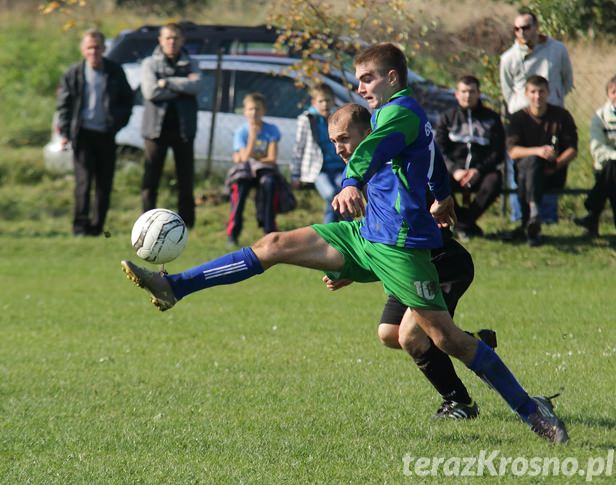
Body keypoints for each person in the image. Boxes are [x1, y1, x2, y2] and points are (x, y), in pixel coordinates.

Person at [121, 43, 568, 443]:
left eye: (367, 78)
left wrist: (352, 181)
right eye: (358, 80)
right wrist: (442, 193)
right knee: (275, 242)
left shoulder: (399, 114)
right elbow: (428, 158)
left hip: (399, 246)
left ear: (392, 77)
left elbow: (371, 150)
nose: (360, 87)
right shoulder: (402, 117)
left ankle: (533, 412)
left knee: (443, 339)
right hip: (365, 235)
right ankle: (175, 286)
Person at [322, 105, 496, 420]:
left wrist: (440, 203)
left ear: (368, 134)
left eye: (345, 138)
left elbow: (411, 223)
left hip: (442, 263)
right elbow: (381, 245)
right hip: (409, 269)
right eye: (334, 141)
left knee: (413, 336)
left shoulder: (394, 166)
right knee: (389, 333)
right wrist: (353, 269)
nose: (339, 148)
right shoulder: (367, 177)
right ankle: (474, 343)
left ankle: (460, 402)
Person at [57, 29, 133, 237]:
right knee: (83, 183)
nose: (94, 51)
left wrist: (116, 124)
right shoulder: (74, 73)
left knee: (104, 184)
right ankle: (80, 227)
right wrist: (65, 132)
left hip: (106, 134)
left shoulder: (114, 71)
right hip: (82, 135)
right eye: (90, 47)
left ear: (104, 49)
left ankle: (97, 227)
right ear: (83, 50)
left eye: (97, 47)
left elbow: (127, 102)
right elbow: (64, 105)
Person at [140, 23, 202, 229]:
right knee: (151, 179)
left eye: (176, 38)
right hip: (156, 130)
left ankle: (187, 224)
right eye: (167, 38)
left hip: (184, 130)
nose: (172, 42)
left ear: (182, 40)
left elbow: (197, 86)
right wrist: (183, 85)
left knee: (185, 179)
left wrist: (166, 83)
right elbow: (150, 92)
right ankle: (147, 223)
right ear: (160, 40)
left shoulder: (191, 62)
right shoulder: (149, 64)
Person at [507, 75, 578, 246]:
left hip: (553, 173)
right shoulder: (518, 118)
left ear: (548, 93)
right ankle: (534, 221)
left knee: (531, 169)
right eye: (533, 92)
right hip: (526, 173)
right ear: (526, 93)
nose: (537, 96)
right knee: (532, 163)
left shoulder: (561, 116)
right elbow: (513, 152)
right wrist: (538, 151)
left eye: (541, 92)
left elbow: (573, 150)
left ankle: (531, 219)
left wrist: (557, 162)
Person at [435, 75, 505, 239]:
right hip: (454, 172)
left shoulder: (492, 118)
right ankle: (465, 224)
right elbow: (439, 150)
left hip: (481, 171)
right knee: (434, 180)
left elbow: (498, 152)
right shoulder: (447, 118)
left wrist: (478, 170)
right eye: (464, 91)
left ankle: (462, 224)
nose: (468, 95)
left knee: (495, 180)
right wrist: (454, 170)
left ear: (479, 93)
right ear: (456, 94)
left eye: (472, 91)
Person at [226, 93, 282, 245]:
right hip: (245, 172)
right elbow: (243, 159)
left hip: (264, 171)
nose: (254, 113)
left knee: (269, 183)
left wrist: (251, 158)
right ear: (244, 111)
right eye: (250, 109)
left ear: (263, 111)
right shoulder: (241, 132)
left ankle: (269, 230)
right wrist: (252, 136)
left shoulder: (272, 130)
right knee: (240, 185)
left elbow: (271, 159)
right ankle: (233, 233)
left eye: (257, 109)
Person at [500, 8, 573, 117]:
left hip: (553, 111)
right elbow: (507, 89)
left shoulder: (558, 49)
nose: (521, 32)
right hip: (522, 115)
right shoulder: (508, 57)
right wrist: (518, 105)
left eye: (526, 28)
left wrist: (555, 96)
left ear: (536, 27)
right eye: (517, 29)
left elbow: (567, 80)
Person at [290, 83, 346, 223]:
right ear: (314, 102)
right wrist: (295, 174)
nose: (325, 104)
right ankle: (330, 231)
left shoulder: (337, 118)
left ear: (333, 101)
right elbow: (299, 147)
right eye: (321, 101)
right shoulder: (307, 119)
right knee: (331, 194)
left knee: (344, 192)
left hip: (339, 167)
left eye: (328, 100)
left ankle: (346, 229)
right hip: (319, 170)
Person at [574, 74, 616, 238]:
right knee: (612, 170)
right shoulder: (600, 116)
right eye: (614, 92)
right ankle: (592, 217)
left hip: (608, 172)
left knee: (611, 175)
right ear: (608, 95)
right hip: (605, 165)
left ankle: (592, 210)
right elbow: (597, 147)